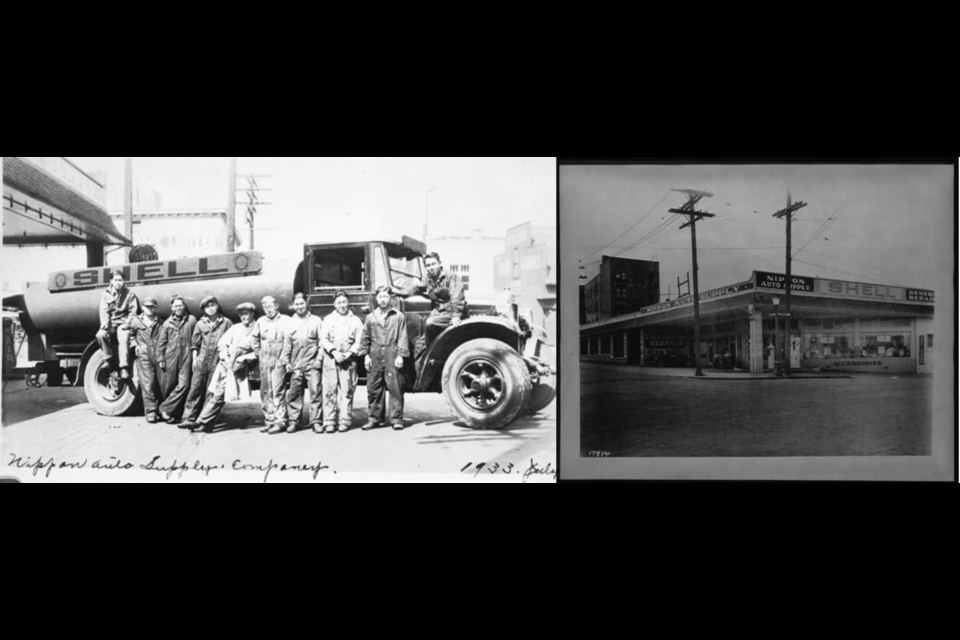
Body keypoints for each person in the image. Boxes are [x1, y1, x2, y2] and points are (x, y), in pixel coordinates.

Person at [181, 302, 260, 433]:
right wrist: (225, 356)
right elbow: (222, 343)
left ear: (252, 314)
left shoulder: (257, 328)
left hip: (237, 369)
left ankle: (201, 421)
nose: (243, 317)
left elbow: (258, 351)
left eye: (246, 314)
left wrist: (244, 358)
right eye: (241, 315)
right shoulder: (235, 328)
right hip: (224, 366)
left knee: (219, 395)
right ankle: (206, 424)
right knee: (215, 394)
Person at [390, 252, 466, 360]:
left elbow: (456, 297)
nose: (431, 267)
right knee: (419, 345)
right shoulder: (428, 279)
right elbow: (416, 288)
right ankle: (422, 371)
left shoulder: (451, 277)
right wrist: (402, 292)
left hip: (451, 312)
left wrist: (456, 316)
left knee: (430, 322)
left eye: (433, 264)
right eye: (428, 265)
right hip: (439, 312)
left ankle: (433, 355)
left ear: (440, 264)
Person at [360, 285, 409, 431]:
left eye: (385, 297)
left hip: (392, 353)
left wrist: (401, 355)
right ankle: (374, 419)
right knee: (374, 388)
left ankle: (396, 419)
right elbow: (365, 338)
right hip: (374, 354)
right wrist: (365, 356)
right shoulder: (370, 317)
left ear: (390, 298)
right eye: (380, 297)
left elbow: (402, 336)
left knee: (395, 387)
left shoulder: (398, 316)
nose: (383, 300)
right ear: (376, 298)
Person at [181, 296, 233, 426]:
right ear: (204, 309)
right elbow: (195, 344)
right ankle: (188, 418)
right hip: (201, 360)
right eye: (207, 306)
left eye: (212, 305)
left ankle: (205, 419)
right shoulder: (200, 324)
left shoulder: (226, 323)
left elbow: (232, 342)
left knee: (211, 391)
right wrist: (194, 360)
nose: (210, 309)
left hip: (217, 361)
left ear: (217, 306)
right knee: (195, 389)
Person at [276, 292, 322, 434]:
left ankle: (316, 422)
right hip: (296, 364)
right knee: (294, 393)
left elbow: (322, 342)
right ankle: (294, 422)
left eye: (302, 303)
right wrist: (286, 361)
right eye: (297, 304)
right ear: (293, 305)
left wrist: (318, 360)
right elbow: (287, 344)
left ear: (307, 303)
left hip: (312, 363)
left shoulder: (316, 321)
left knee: (316, 392)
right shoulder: (290, 322)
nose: (300, 306)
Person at [320, 290, 364, 433]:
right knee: (329, 390)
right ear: (334, 304)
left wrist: (349, 353)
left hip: (348, 360)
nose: (342, 305)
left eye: (344, 302)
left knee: (347, 391)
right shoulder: (328, 319)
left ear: (348, 302)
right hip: (331, 359)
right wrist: (334, 352)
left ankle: (344, 421)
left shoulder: (355, 320)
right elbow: (324, 339)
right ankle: (329, 421)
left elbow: (359, 341)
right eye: (339, 302)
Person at [157, 296, 197, 424]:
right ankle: (172, 414)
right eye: (175, 306)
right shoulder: (167, 323)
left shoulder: (191, 320)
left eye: (180, 305)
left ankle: (164, 408)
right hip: (171, 357)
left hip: (186, 356)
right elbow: (161, 343)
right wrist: (160, 358)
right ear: (171, 308)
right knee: (170, 385)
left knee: (184, 385)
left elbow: (196, 338)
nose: (178, 308)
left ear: (184, 306)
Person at [256, 295, 292, 433]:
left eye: (270, 306)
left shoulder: (286, 321)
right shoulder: (260, 321)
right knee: (265, 392)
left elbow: (288, 342)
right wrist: (259, 353)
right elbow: (255, 339)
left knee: (278, 391)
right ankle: (269, 420)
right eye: (265, 307)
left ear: (277, 305)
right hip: (264, 362)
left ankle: (280, 421)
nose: (268, 309)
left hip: (279, 361)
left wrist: (284, 359)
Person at [125, 297, 164, 423]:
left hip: (157, 355)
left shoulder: (160, 322)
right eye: (147, 307)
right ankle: (151, 411)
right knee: (148, 383)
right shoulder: (136, 321)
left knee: (161, 382)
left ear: (155, 308)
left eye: (152, 307)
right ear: (142, 307)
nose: (149, 309)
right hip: (144, 355)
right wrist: (135, 345)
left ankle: (162, 410)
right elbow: (130, 335)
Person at [96, 270, 140, 380]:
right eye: (116, 280)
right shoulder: (106, 294)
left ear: (124, 281)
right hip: (111, 323)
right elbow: (104, 311)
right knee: (101, 335)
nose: (118, 283)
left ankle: (123, 367)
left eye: (120, 280)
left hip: (124, 322)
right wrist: (105, 324)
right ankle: (110, 361)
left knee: (124, 337)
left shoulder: (130, 294)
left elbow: (133, 312)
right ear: (111, 281)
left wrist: (127, 323)